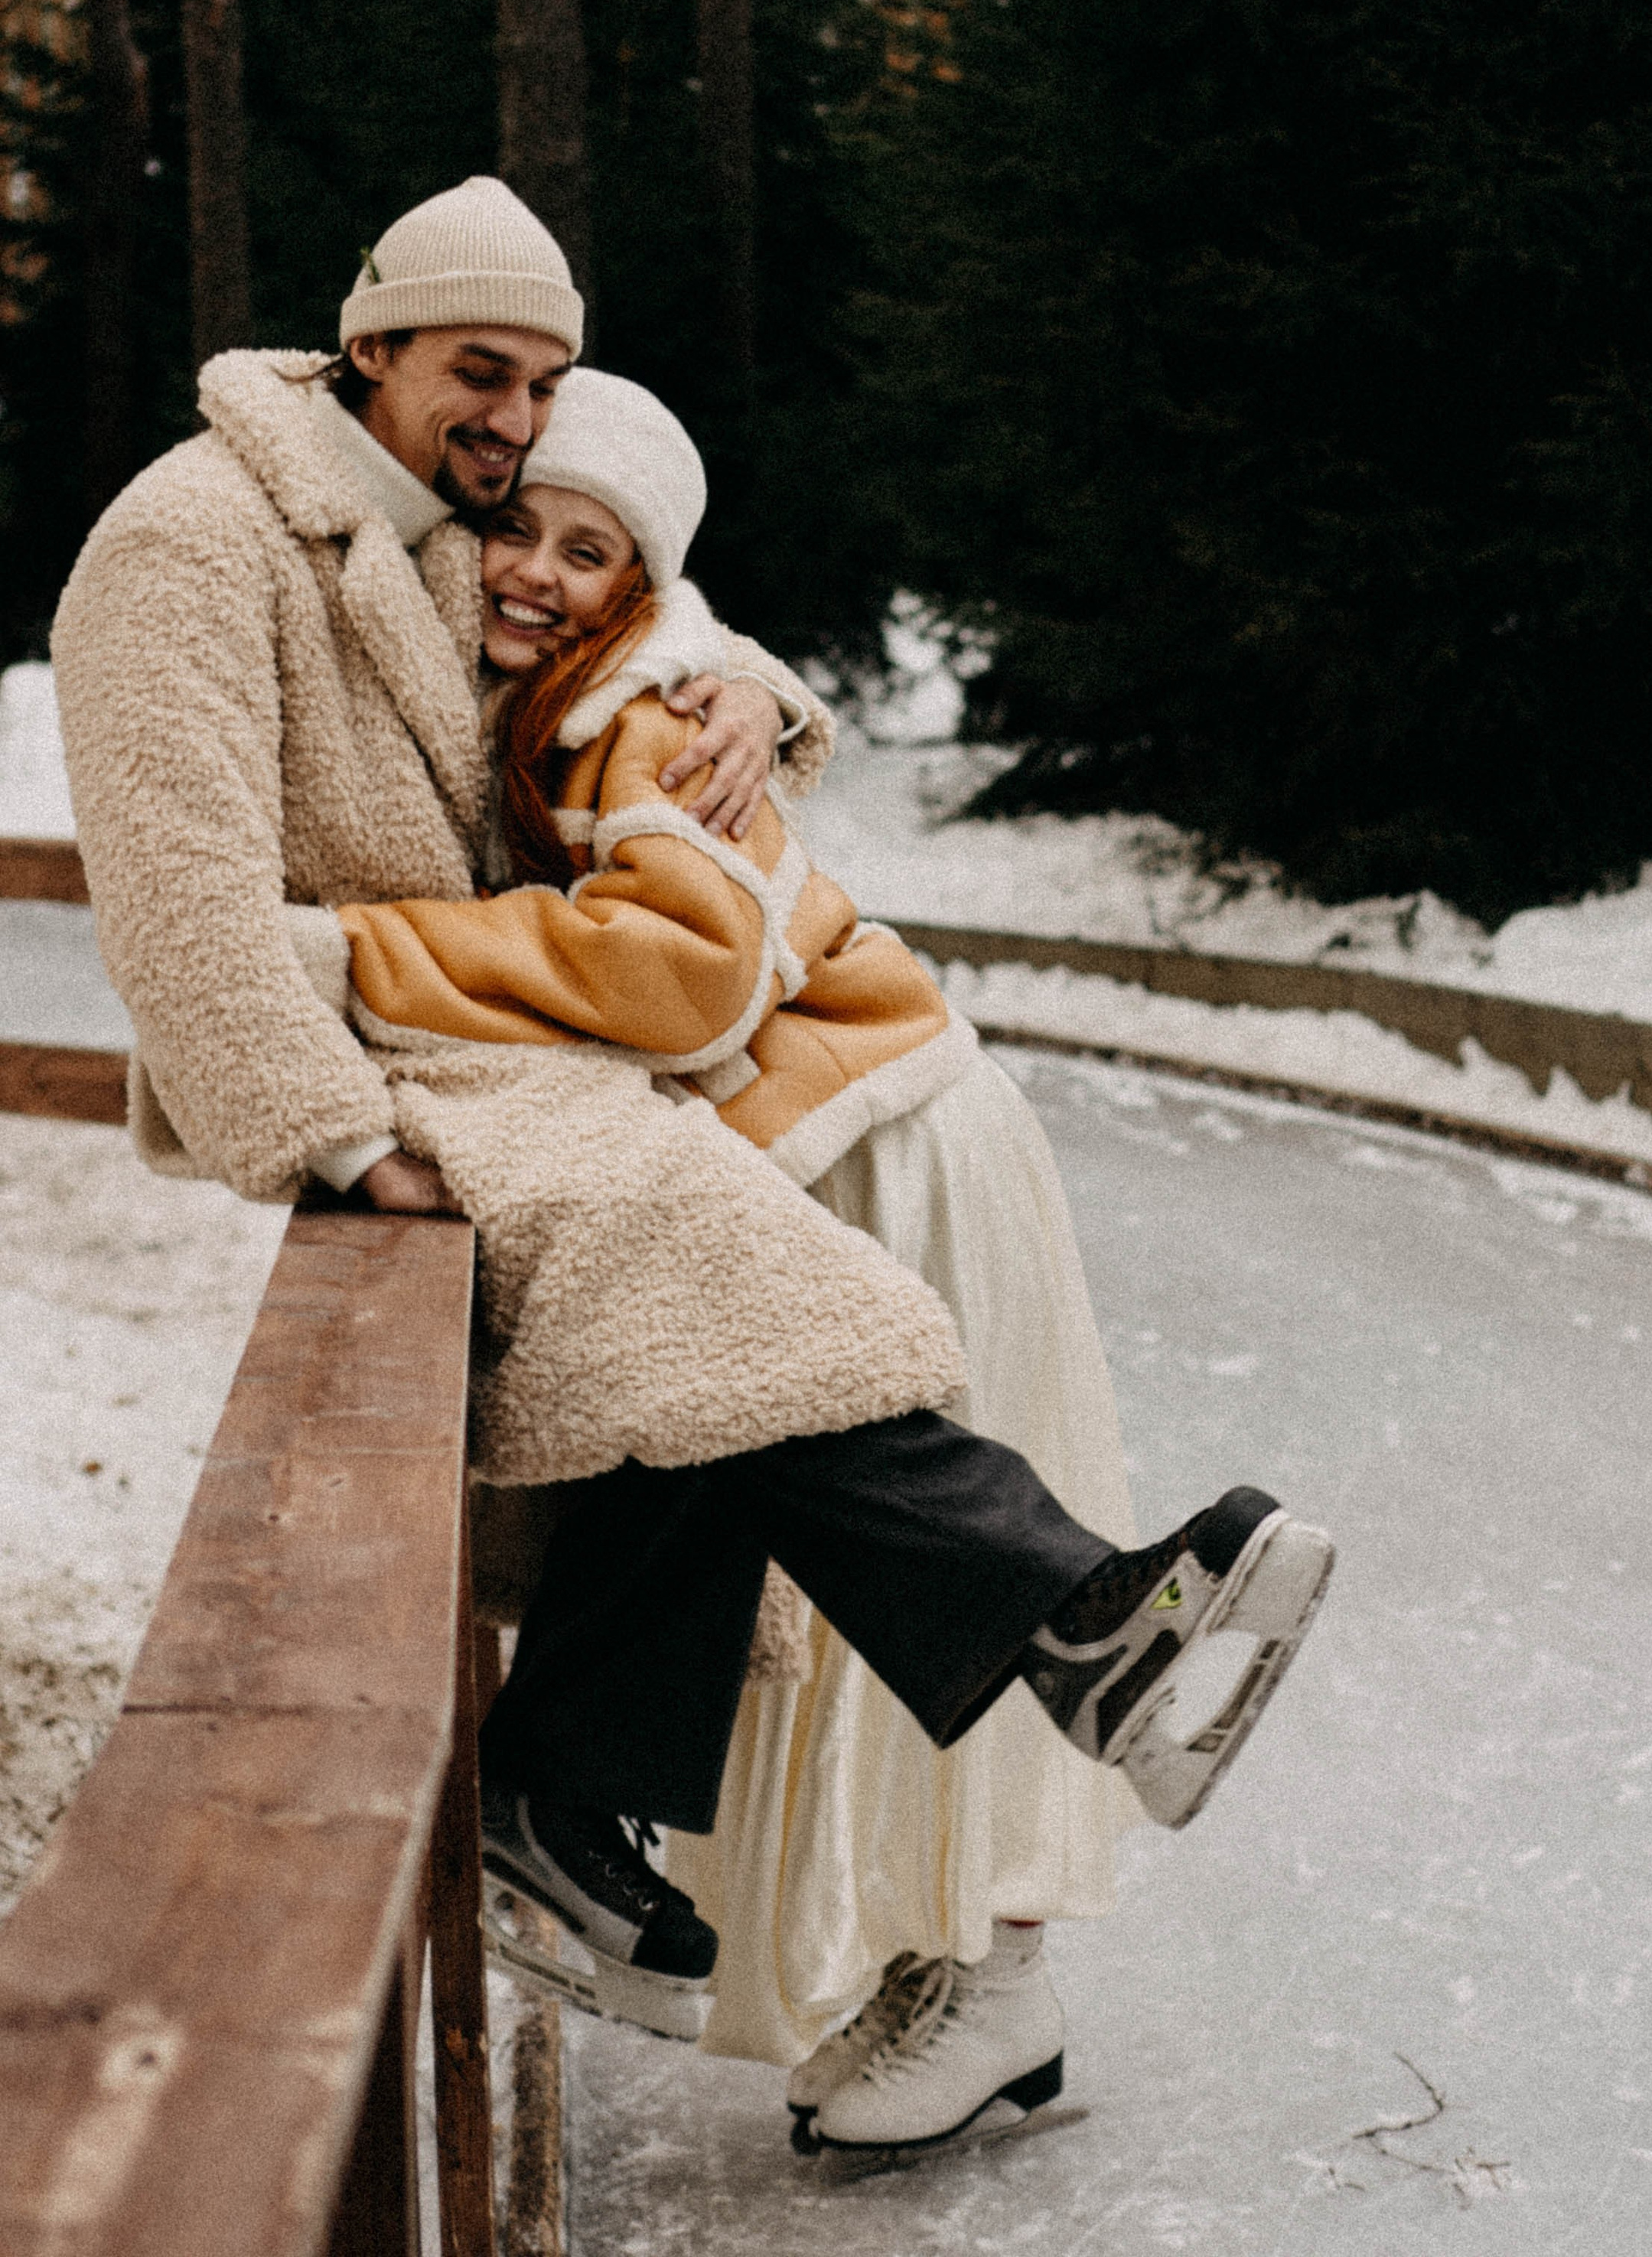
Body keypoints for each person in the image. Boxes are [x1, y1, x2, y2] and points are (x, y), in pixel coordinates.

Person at [50, 177, 1334, 2158]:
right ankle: (1040, 1644)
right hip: (404, 1076)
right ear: (371, 339)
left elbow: (628, 612)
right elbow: (177, 898)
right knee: (719, 1285)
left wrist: (753, 694)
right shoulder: (193, 541)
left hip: (511, 1063)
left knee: (744, 1314)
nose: (512, 421)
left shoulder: (441, 523)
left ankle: (733, 1751)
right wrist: (326, 1137)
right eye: (484, 372)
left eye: (542, 384)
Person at [330, 364, 1146, 2148]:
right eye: (512, 527)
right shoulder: (584, 680)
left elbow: (675, 963)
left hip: (877, 1144)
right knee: (827, 1563)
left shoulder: (633, 695)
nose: (533, 570)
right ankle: (944, 1947)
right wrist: (748, 687)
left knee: (886, 1574)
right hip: (831, 1129)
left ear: (641, 585)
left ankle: (991, 1970)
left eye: (586, 549)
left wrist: (367, 954)